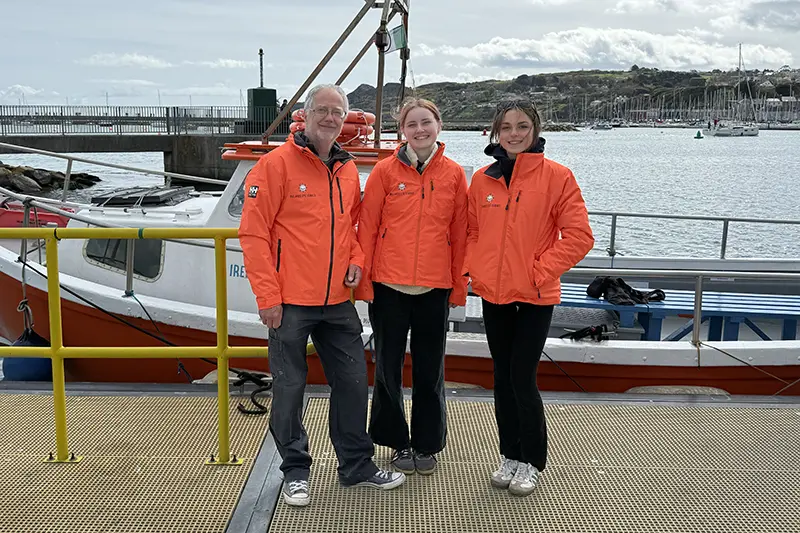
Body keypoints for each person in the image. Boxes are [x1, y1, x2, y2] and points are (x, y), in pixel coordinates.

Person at [239, 83, 405, 508]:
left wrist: (356, 257)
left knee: (352, 382)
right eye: (323, 110)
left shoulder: (347, 169)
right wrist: (267, 296)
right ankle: (295, 471)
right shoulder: (275, 166)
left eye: (338, 111)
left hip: (336, 301)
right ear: (306, 115)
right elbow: (254, 234)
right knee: (290, 387)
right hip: (289, 302)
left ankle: (356, 465)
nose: (331, 118)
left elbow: (350, 227)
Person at [464, 99, 594, 497]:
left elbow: (579, 236)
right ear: (496, 133)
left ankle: (532, 461)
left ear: (536, 129)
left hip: (535, 296)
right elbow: (472, 233)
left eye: (522, 126)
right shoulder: (483, 179)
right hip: (494, 294)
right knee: (501, 379)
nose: (514, 134)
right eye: (506, 127)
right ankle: (509, 453)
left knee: (522, 377)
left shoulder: (558, 177)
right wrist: (477, 270)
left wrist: (539, 269)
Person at [356, 98, 468, 475]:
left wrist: (458, 287)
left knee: (429, 369)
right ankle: (396, 442)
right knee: (387, 368)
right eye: (411, 124)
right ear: (401, 130)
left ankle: (426, 443)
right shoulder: (384, 172)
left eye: (426, 122)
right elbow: (367, 227)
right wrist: (366, 283)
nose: (419, 130)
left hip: (434, 288)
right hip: (388, 286)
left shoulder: (453, 175)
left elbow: (460, 233)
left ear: (439, 125)